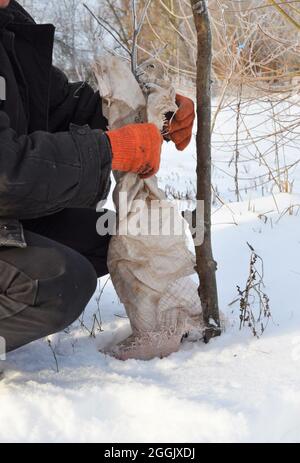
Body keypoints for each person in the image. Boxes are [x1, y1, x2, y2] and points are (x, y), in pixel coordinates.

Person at [0, 0, 195, 354]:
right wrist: (109, 150)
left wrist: (150, 112)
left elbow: (58, 108)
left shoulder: (7, 23)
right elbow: (5, 170)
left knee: (108, 236)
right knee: (61, 281)